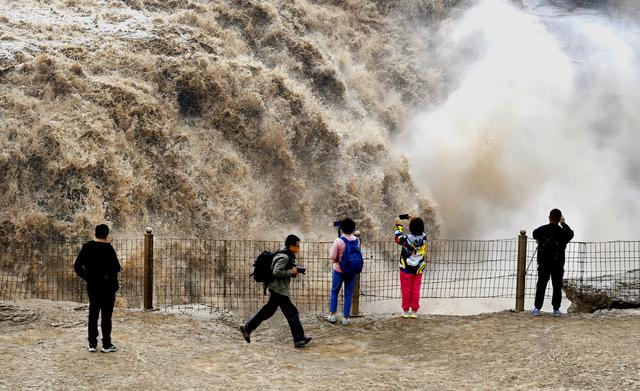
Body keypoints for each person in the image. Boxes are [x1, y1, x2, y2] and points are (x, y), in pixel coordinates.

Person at [240, 235, 312, 348]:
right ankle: (299, 339)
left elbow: (283, 269)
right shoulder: (284, 256)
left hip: (277, 288)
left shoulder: (286, 253)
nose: (299, 248)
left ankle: (247, 328)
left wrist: (294, 270)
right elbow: (276, 272)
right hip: (278, 289)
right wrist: (290, 272)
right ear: (291, 246)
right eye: (298, 246)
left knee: (268, 310)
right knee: (292, 313)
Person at [74, 224, 121, 353]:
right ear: (107, 234)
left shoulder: (87, 247)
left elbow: (77, 266)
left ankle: (92, 344)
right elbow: (117, 268)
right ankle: (106, 344)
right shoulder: (108, 248)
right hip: (108, 287)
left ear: (95, 233)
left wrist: (87, 277)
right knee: (106, 316)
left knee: (93, 314)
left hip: (93, 286)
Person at [531, 209, 574, 317]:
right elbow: (571, 233)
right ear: (559, 219)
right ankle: (556, 309)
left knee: (541, 285)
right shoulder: (563, 232)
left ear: (549, 218)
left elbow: (534, 233)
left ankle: (537, 308)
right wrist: (563, 223)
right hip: (558, 264)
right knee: (556, 286)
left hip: (543, 263)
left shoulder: (542, 230)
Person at [327, 217, 361, 325]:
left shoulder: (338, 241)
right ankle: (346, 318)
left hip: (339, 270)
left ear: (341, 228)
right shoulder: (357, 240)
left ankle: (332, 315)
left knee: (334, 291)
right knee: (348, 293)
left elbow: (332, 256)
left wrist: (337, 258)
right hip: (351, 271)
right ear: (353, 228)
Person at [394, 216, 427, 318]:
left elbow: (397, 238)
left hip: (406, 269)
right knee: (415, 289)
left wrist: (398, 225)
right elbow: (419, 228)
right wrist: (413, 219)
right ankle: (414, 311)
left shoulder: (406, 239)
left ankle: (405, 311)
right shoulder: (424, 237)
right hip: (418, 269)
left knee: (406, 290)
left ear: (411, 228)